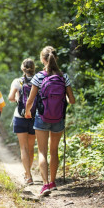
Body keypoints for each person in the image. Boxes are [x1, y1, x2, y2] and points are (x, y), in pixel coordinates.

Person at [25, 46, 75, 196]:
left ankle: (45, 184)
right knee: (54, 151)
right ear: (56, 58)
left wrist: (28, 112)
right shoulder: (63, 76)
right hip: (58, 118)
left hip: (42, 116)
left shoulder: (39, 76)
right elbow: (72, 100)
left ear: (42, 59)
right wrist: (60, 101)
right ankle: (53, 182)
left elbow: (30, 100)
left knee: (42, 151)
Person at [8, 58, 36, 185]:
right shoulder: (39, 80)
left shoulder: (17, 81)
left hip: (20, 117)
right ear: (34, 68)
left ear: (22, 68)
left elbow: (10, 98)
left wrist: (19, 101)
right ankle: (27, 172)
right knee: (31, 148)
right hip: (35, 117)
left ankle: (28, 176)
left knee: (23, 148)